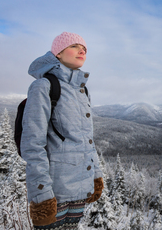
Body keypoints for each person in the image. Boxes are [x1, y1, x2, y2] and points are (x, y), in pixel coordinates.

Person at [21, 32, 103, 229]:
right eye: (74, 46)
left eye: (84, 48)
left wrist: (96, 176)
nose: (81, 50)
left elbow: (87, 141)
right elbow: (33, 144)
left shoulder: (82, 90)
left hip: (81, 186)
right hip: (55, 190)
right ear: (57, 53)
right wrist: (42, 195)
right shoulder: (44, 86)